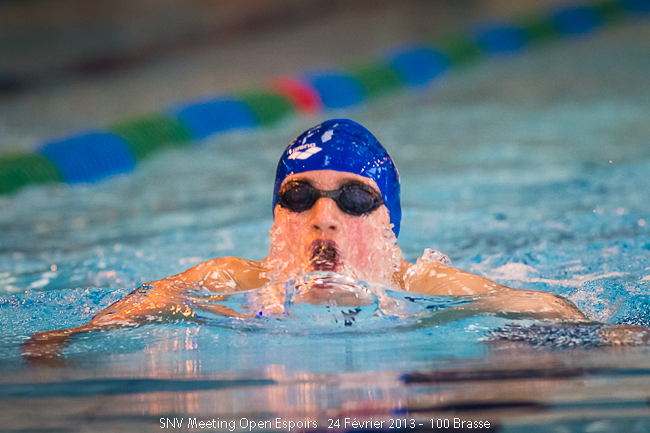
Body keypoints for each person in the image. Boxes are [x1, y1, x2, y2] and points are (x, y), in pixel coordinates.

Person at [27, 118, 627, 359]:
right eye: (300, 196)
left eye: (355, 198)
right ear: (277, 219)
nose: (324, 216)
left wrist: (608, 336)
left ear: (389, 224)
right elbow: (148, 302)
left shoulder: (423, 282)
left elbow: (540, 305)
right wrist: (71, 339)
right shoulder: (236, 278)